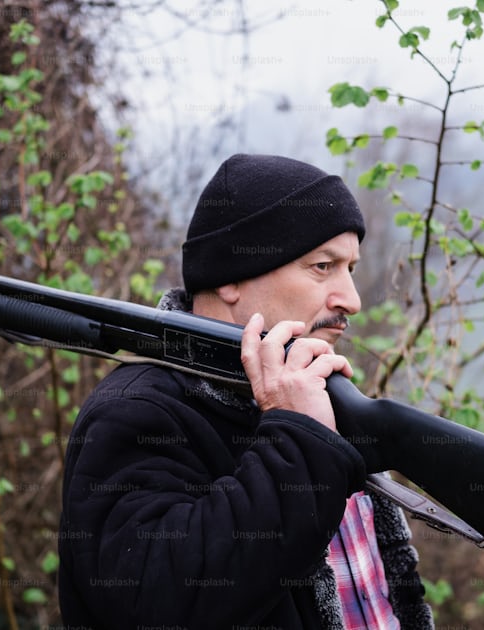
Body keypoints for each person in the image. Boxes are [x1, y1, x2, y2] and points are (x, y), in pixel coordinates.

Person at [58, 154, 433, 630]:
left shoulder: (319, 395)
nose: (352, 301)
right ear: (230, 278)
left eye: (351, 269)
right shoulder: (135, 412)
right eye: (323, 266)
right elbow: (160, 602)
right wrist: (299, 440)